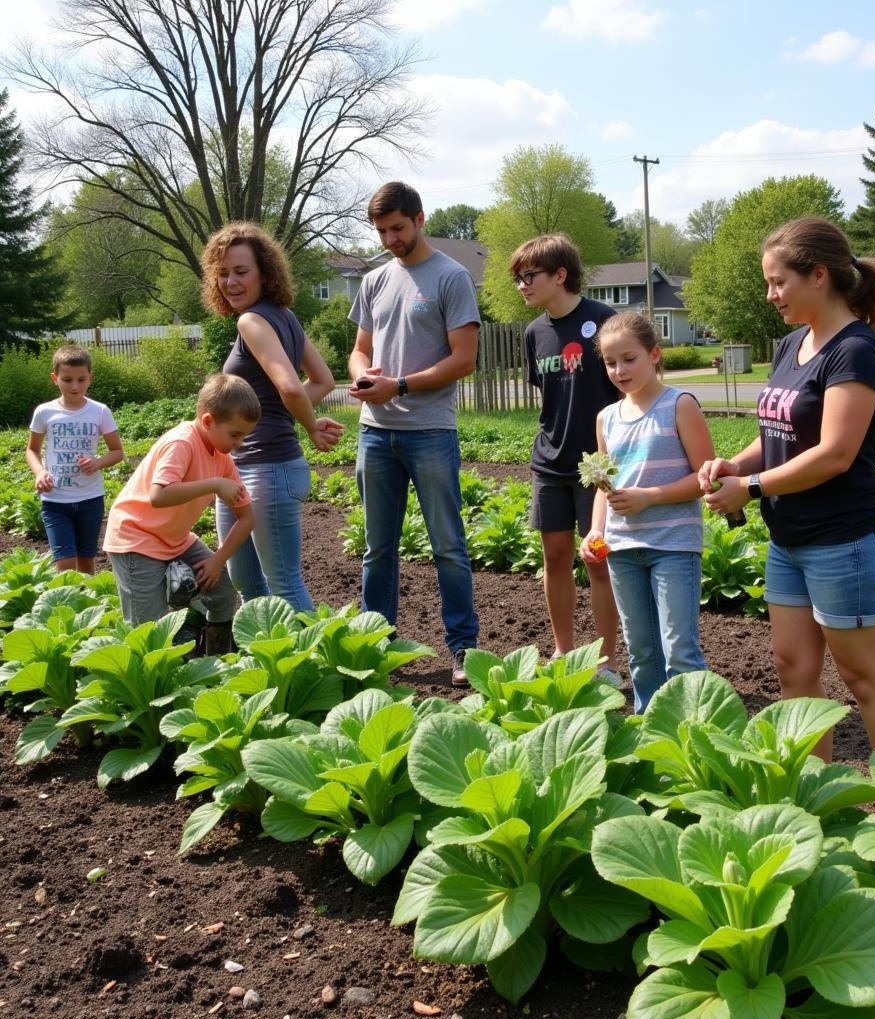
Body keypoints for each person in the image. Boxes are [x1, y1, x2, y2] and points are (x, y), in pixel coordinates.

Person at [700, 216, 875, 758]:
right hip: (790, 537)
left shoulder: (855, 350)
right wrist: (733, 463)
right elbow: (780, 433)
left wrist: (749, 487)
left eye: (779, 282)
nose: (772, 294)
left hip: (845, 539)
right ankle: (813, 794)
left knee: (863, 677)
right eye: (768, 283)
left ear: (818, 275)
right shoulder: (794, 343)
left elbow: (835, 454)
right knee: (792, 669)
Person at [348, 182, 480, 686]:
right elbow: (359, 349)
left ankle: (463, 649)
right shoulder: (376, 280)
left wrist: (398, 385)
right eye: (381, 231)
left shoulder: (452, 276)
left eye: (397, 228)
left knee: (448, 545)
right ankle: (376, 646)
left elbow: (463, 360)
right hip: (375, 434)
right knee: (377, 549)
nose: (389, 239)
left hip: (429, 431)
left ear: (420, 219)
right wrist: (365, 375)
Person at [201, 222, 343, 613]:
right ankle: (272, 664)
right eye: (223, 272)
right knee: (245, 580)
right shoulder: (284, 316)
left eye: (241, 271)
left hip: (270, 468)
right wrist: (286, 413)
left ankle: (317, 668)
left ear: (265, 272)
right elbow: (324, 380)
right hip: (241, 469)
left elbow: (294, 388)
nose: (230, 281)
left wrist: (310, 426)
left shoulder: (252, 322)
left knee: (282, 582)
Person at [580, 312, 714, 712]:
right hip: (622, 548)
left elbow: (706, 478)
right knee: (640, 651)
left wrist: (650, 496)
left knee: (679, 651)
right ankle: (650, 729)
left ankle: (695, 733)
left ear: (654, 354)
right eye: (610, 362)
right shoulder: (606, 418)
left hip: (673, 545)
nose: (619, 370)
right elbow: (603, 486)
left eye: (629, 359)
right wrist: (594, 530)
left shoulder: (679, 405)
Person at [511, 234, 622, 683]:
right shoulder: (534, 333)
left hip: (597, 464)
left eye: (529, 276)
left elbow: (624, 389)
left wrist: (612, 460)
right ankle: (562, 652)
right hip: (549, 462)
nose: (521, 285)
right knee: (554, 557)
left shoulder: (604, 320)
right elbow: (549, 395)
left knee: (597, 558)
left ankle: (606, 662)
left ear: (560, 275)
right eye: (517, 278)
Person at [103, 374, 259, 654]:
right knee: (147, 629)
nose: (240, 443)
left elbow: (247, 518)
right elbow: (159, 495)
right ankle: (150, 688)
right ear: (208, 421)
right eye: (235, 434)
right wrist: (214, 484)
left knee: (222, 591)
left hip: (175, 539)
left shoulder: (222, 457)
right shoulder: (182, 442)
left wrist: (216, 560)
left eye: (244, 436)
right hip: (136, 537)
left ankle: (218, 660)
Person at [26, 345, 124, 573]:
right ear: (55, 378)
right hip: (54, 501)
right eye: (67, 379)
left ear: (90, 378)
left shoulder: (100, 411)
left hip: (90, 499)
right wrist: (40, 473)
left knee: (87, 561)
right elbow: (31, 450)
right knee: (65, 564)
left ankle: (87, 604)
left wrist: (98, 462)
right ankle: (65, 602)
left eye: (81, 379)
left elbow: (117, 452)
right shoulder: (45, 412)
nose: (75, 386)